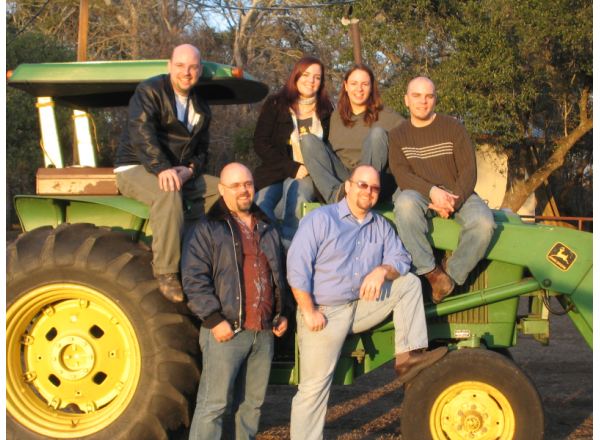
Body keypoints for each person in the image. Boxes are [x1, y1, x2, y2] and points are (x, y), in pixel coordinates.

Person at [286, 165, 447, 440]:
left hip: (360, 306)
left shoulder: (380, 226)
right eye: (362, 185)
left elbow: (402, 259)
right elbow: (296, 267)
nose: (368, 192)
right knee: (314, 388)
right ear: (348, 186)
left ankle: (408, 356)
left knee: (407, 283)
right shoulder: (322, 219)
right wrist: (309, 310)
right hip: (324, 312)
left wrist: (383, 270)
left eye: (374, 188)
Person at [181, 162, 292, 440]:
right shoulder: (208, 228)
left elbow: (278, 273)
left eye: (248, 184)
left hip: (263, 333)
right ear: (221, 190)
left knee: (251, 407)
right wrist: (214, 320)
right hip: (226, 332)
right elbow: (194, 278)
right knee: (214, 406)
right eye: (236, 185)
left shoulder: (267, 226)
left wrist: (281, 313)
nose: (244, 190)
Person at [114, 43, 219, 303]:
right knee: (168, 191)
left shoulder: (201, 108)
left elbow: (202, 150)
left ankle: (198, 253)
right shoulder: (149, 90)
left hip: (177, 172)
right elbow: (142, 133)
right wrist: (162, 168)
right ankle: (167, 271)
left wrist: (191, 170)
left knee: (226, 189)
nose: (187, 72)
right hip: (137, 165)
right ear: (169, 66)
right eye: (181, 66)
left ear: (200, 70)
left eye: (193, 67)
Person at [389, 76, 496, 304]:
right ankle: (430, 272)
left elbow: (469, 170)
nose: (422, 101)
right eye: (416, 96)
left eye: (428, 96)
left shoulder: (453, 127)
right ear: (406, 100)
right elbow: (402, 174)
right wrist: (432, 191)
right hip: (418, 192)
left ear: (435, 99)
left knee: (484, 223)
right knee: (404, 205)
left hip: (457, 192)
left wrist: (452, 202)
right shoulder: (398, 135)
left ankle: (449, 277)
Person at [253, 56, 333, 243]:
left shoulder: (326, 111)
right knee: (260, 208)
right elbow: (260, 142)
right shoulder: (276, 104)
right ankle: (270, 248)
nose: (310, 81)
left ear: (321, 83)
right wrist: (292, 168)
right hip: (275, 172)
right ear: (296, 76)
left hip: (308, 175)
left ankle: (291, 251)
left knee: (299, 201)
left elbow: (329, 148)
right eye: (306, 75)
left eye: (317, 77)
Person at [300, 64, 404, 203]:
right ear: (346, 86)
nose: (359, 89)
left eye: (365, 84)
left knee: (377, 134)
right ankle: (336, 200)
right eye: (354, 83)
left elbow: (413, 140)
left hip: (373, 185)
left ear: (371, 87)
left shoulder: (389, 117)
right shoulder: (335, 117)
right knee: (307, 140)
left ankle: (361, 196)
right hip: (344, 183)